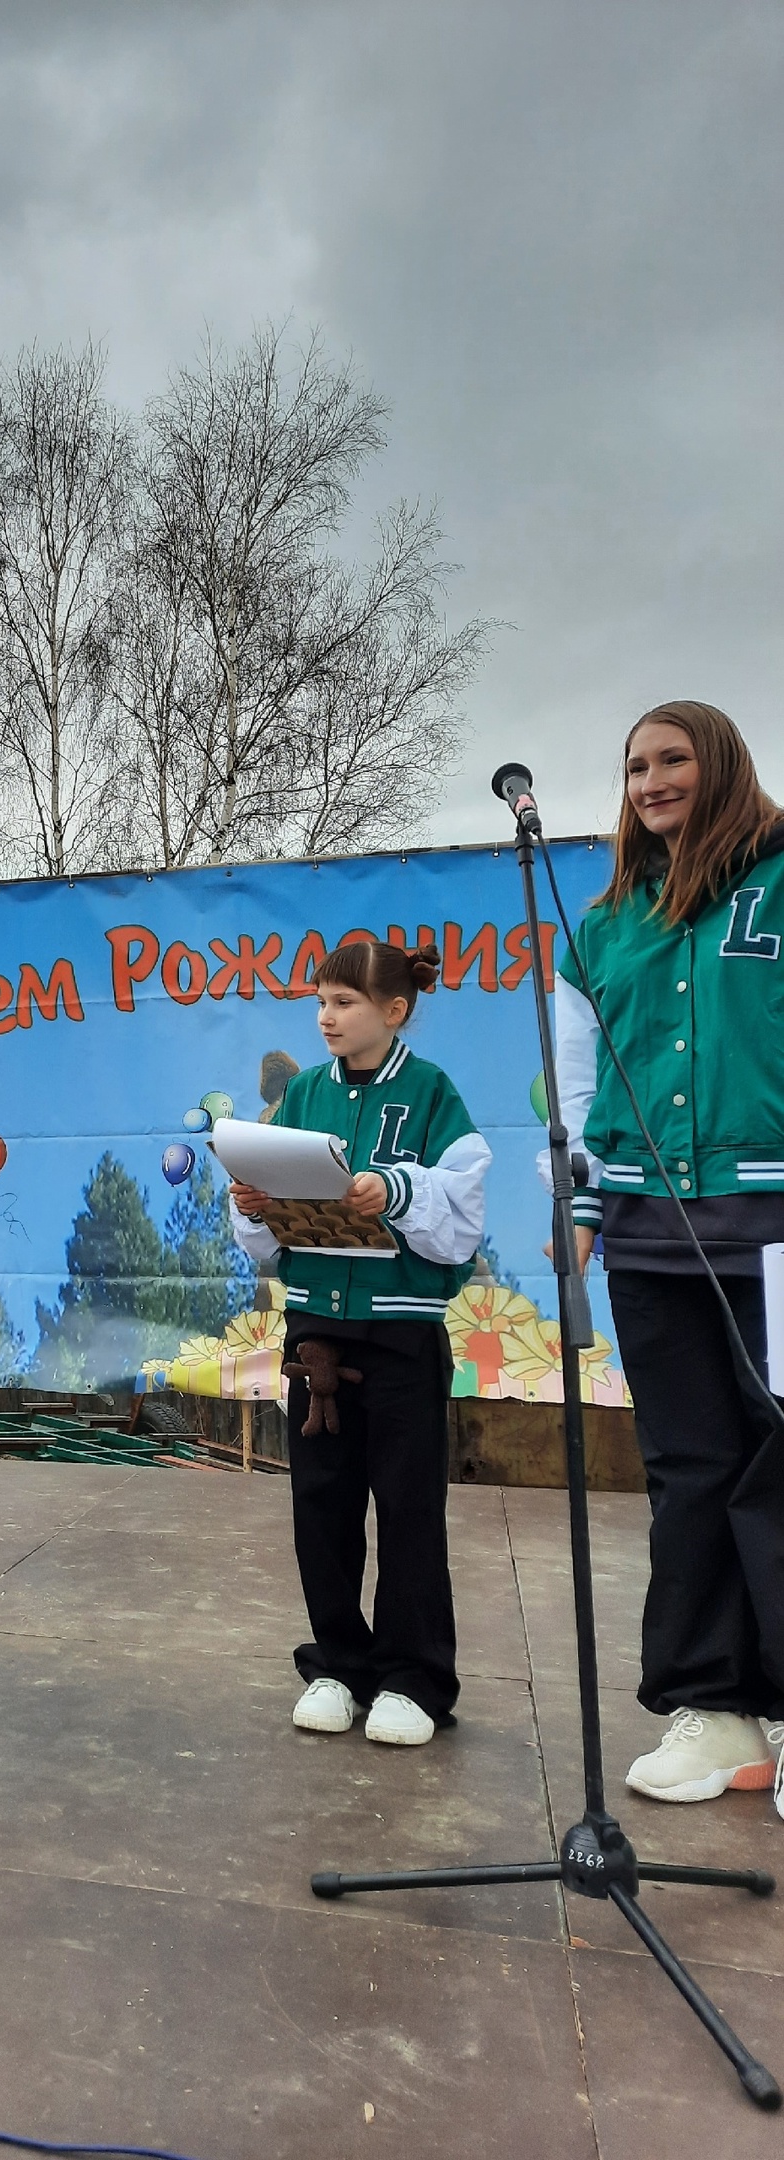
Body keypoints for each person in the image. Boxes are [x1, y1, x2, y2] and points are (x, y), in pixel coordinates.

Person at [552, 701, 784, 1815]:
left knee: (778, 1462)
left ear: (722, 763)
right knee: (688, 1466)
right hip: (647, 1233)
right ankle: (716, 1708)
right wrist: (586, 1206)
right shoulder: (601, 928)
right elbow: (586, 1080)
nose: (650, 781)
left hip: (773, 1227)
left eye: (672, 758)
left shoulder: (783, 880)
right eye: (635, 764)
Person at [229, 940, 490, 1747]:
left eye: (343, 1002)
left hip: (401, 1331)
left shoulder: (430, 1090)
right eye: (320, 1002)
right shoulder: (302, 1093)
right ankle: (339, 1664)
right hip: (315, 1334)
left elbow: (465, 1211)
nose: (326, 1017)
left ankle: (414, 1678)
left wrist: (397, 1188)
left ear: (394, 1010)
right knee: (322, 1506)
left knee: (409, 1508)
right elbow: (265, 1242)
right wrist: (255, 1202)